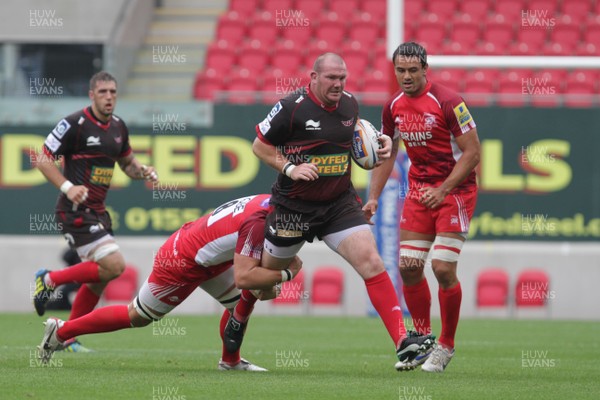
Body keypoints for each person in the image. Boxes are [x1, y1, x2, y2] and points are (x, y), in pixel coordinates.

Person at [249, 52, 435, 371]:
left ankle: (403, 343)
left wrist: (381, 147)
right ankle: (234, 338)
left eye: (342, 78)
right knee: (259, 283)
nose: (338, 84)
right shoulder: (290, 108)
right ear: (314, 77)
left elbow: (359, 145)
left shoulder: (350, 104)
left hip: (338, 204)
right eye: (332, 78)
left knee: (372, 263)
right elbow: (259, 146)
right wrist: (290, 168)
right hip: (293, 208)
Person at [38, 194, 302, 371]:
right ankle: (61, 330)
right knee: (138, 315)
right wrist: (287, 274)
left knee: (240, 303)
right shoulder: (260, 222)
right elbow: (247, 277)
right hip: (184, 261)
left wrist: (270, 281)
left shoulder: (266, 202)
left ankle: (230, 362)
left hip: (207, 256)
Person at [364, 42, 481, 372]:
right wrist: (373, 197)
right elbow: (387, 154)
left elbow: (472, 153)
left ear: (425, 69)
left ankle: (446, 345)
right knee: (408, 267)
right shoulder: (393, 107)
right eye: (400, 70)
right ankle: (423, 342)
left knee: (442, 268)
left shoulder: (449, 102)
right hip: (418, 192)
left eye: (413, 70)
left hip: (455, 192)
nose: (406, 76)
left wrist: (444, 190)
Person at [32, 71, 159, 351]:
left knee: (100, 278)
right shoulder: (74, 124)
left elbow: (128, 164)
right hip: (74, 209)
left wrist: (144, 171)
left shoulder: (118, 127)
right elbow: (41, 158)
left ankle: (66, 336)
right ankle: (49, 279)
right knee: (115, 265)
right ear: (92, 95)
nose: (109, 97)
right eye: (103, 92)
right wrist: (67, 186)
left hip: (98, 212)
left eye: (113, 92)